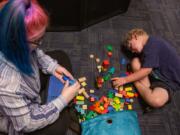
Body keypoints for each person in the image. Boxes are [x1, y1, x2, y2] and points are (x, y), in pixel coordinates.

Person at [0, 0, 80, 135]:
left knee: (61, 57)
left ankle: (54, 105)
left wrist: (53, 67)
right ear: (16, 42)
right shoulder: (7, 85)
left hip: (28, 87)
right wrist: (63, 100)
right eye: (37, 40)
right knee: (59, 127)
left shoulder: (16, 42)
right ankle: (62, 109)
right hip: (19, 120)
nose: (41, 43)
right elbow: (27, 123)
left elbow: (35, 53)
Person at [112, 28, 180, 108]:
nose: (132, 51)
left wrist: (125, 80)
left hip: (169, 82)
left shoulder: (153, 43)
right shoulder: (147, 48)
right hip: (156, 73)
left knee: (156, 101)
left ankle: (137, 83)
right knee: (135, 62)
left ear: (135, 36)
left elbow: (147, 70)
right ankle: (147, 93)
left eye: (130, 46)